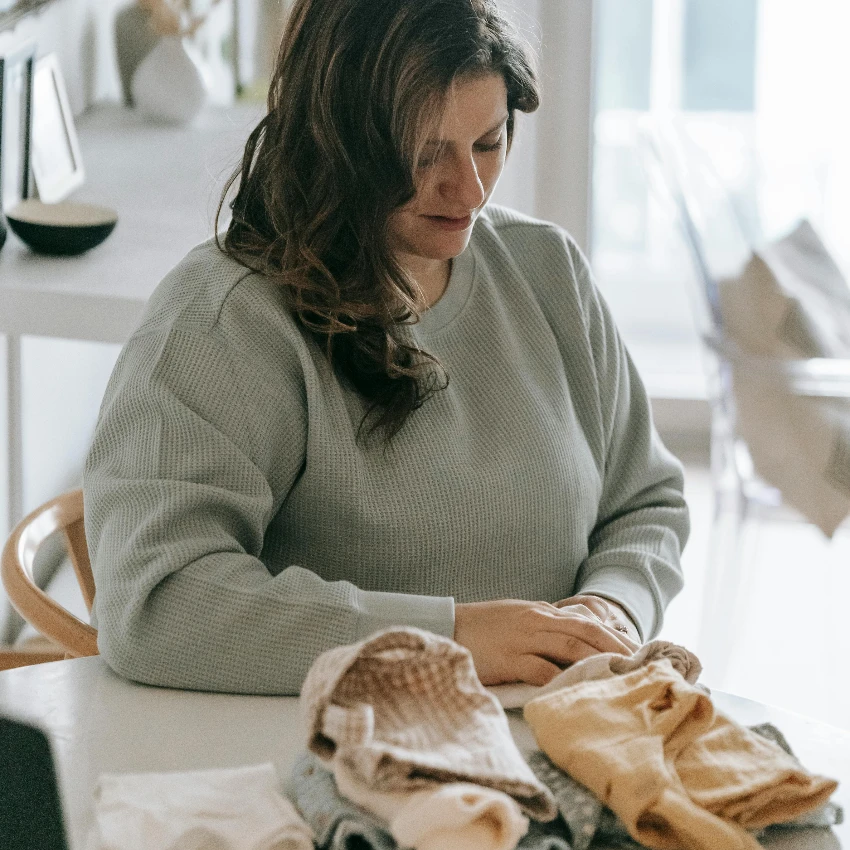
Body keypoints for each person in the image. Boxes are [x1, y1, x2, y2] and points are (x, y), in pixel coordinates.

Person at [83, 0, 689, 696]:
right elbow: (157, 603)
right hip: (326, 762)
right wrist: (446, 641)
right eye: (425, 155)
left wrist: (610, 607)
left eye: (488, 143)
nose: (469, 189)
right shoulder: (225, 321)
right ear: (337, 141)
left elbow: (645, 500)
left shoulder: (546, 270)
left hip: (548, 742)